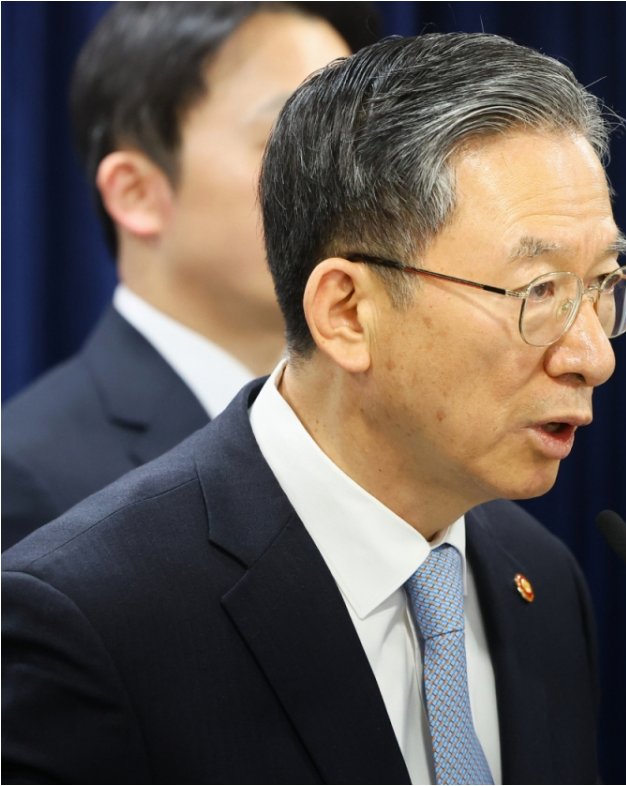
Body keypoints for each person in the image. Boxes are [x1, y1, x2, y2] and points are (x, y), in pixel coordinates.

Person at [2, 31, 626, 784]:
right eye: (539, 292)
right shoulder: (91, 618)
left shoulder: (540, 576)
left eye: (605, 284)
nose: (593, 356)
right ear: (346, 312)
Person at [0, 2, 375, 549]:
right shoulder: (28, 481)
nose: (353, 179)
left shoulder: (405, 433)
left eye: (356, 142)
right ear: (136, 193)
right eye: (294, 140)